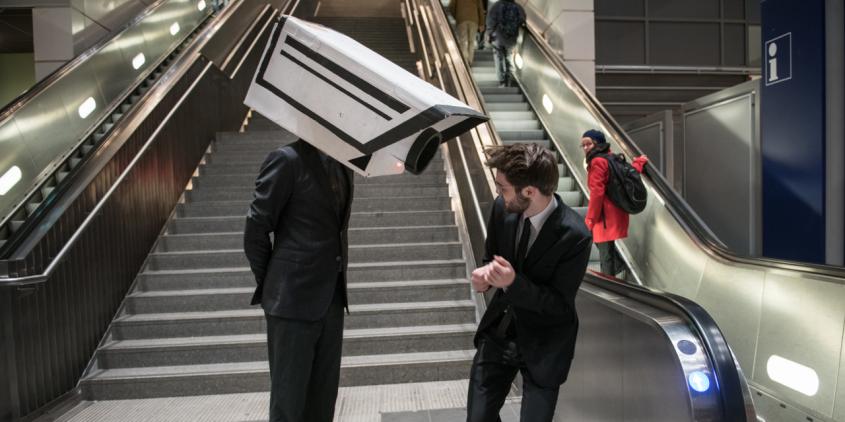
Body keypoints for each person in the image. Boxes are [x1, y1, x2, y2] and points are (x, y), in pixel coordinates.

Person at [466, 143, 593, 422]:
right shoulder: (502, 208)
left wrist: (513, 282)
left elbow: (559, 305)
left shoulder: (575, 235)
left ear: (529, 192)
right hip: (499, 332)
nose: (499, 193)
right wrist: (485, 277)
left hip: (545, 344)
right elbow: (491, 257)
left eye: (503, 187)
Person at [243, 139, 353, 422]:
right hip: (291, 302)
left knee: (323, 401)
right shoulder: (286, 160)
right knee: (288, 405)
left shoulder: (345, 162)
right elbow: (256, 228)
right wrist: (273, 281)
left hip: (331, 298)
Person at [580, 129, 648, 278]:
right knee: (604, 245)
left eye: (588, 144)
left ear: (597, 143)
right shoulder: (611, 157)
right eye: (583, 145)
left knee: (606, 254)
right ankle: (617, 267)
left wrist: (591, 219)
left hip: (604, 215)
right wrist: (639, 163)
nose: (585, 148)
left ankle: (609, 287)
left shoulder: (597, 161)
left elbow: (597, 194)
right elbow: (627, 173)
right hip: (616, 212)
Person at [485, 0, 525, 87]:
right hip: (512, 38)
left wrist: (489, 33)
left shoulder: (497, 6)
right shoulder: (518, 7)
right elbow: (522, 20)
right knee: (509, 57)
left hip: (498, 37)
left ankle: (502, 81)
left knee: (499, 58)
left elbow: (491, 20)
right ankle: (509, 80)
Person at [449, 0, 486, 65]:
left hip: (461, 19)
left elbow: (451, 6)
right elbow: (480, 9)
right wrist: (482, 23)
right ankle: (470, 60)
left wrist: (456, 15)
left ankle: (464, 60)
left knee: (463, 41)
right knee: (471, 41)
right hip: (474, 19)